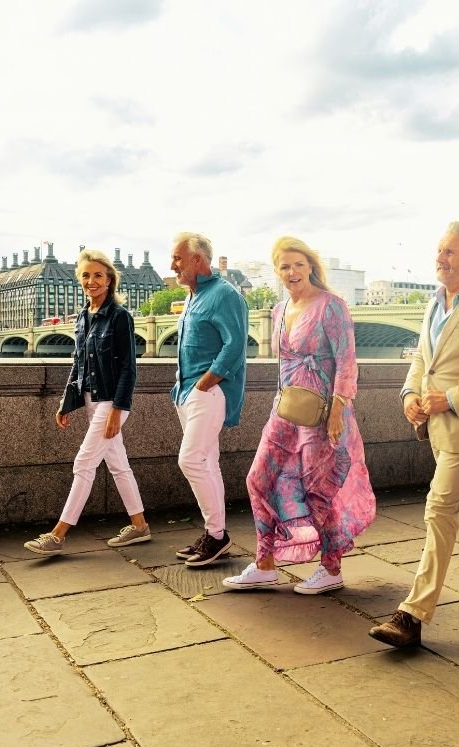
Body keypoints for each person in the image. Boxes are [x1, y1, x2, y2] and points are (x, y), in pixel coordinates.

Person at [368, 222, 459, 648]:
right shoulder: (434, 304)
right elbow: (422, 361)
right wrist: (409, 394)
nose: (441, 258)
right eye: (439, 250)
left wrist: (448, 399)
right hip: (434, 426)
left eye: (450, 252)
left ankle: (412, 614)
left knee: (439, 511)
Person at [223, 237, 376, 594]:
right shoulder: (278, 310)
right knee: (258, 479)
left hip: (323, 412)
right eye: (284, 266)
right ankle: (264, 563)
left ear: (310, 267)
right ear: (277, 272)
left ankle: (331, 567)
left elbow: (346, 361)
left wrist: (338, 409)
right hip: (286, 409)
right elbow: (283, 366)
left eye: (298, 265)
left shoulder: (331, 306)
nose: (292, 272)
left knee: (318, 489)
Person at [25, 249, 150, 556]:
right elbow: (79, 363)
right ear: (79, 279)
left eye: (98, 275)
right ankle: (140, 526)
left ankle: (58, 535)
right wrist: (66, 403)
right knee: (119, 465)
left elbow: (128, 369)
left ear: (109, 280)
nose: (91, 281)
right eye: (85, 275)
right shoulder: (82, 317)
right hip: (92, 400)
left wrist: (117, 411)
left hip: (111, 403)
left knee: (83, 463)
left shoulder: (120, 317)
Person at [169, 232, 249, 568]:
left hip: (208, 392)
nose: (172, 265)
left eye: (177, 258)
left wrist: (208, 380)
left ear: (198, 260)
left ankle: (216, 536)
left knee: (190, 460)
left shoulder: (224, 294)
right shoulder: (192, 296)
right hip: (186, 392)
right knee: (207, 463)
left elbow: (236, 343)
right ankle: (215, 533)